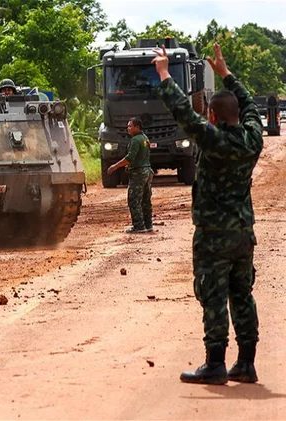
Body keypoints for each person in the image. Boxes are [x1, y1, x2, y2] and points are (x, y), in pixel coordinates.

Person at [152, 43, 263, 385]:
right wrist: (227, 75)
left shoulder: (214, 141)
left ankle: (215, 364)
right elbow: (251, 108)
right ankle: (245, 362)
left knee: (213, 295)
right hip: (243, 234)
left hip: (214, 235)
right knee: (241, 295)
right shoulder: (252, 138)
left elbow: (184, 112)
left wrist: (164, 73)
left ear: (212, 116)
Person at [107, 117, 154, 233]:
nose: (128, 129)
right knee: (145, 200)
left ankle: (139, 226)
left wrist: (115, 166)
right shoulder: (145, 138)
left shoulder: (135, 140)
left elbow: (129, 157)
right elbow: (142, 156)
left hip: (139, 173)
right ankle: (148, 225)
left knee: (134, 200)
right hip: (147, 171)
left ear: (137, 127)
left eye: (130, 126)